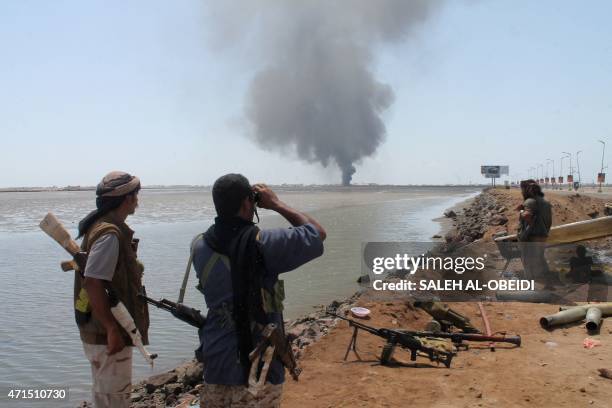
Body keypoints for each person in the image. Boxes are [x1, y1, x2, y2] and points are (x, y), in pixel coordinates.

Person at [192, 174, 326, 407]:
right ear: (247, 203)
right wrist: (275, 203)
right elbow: (318, 234)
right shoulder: (264, 242)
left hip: (216, 361)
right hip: (258, 368)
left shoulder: (199, 246)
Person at [75, 171, 149, 408]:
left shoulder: (101, 227)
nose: (138, 199)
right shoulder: (110, 234)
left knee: (105, 396)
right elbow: (93, 283)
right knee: (114, 400)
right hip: (108, 333)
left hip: (99, 330)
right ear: (127, 199)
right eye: (135, 195)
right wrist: (111, 329)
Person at [516, 179, 553, 284]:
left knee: (528, 263)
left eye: (523, 190)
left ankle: (531, 286)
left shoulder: (530, 201)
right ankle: (545, 284)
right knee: (539, 260)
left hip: (531, 238)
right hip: (542, 236)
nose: (522, 192)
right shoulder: (545, 202)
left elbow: (527, 215)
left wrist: (521, 211)